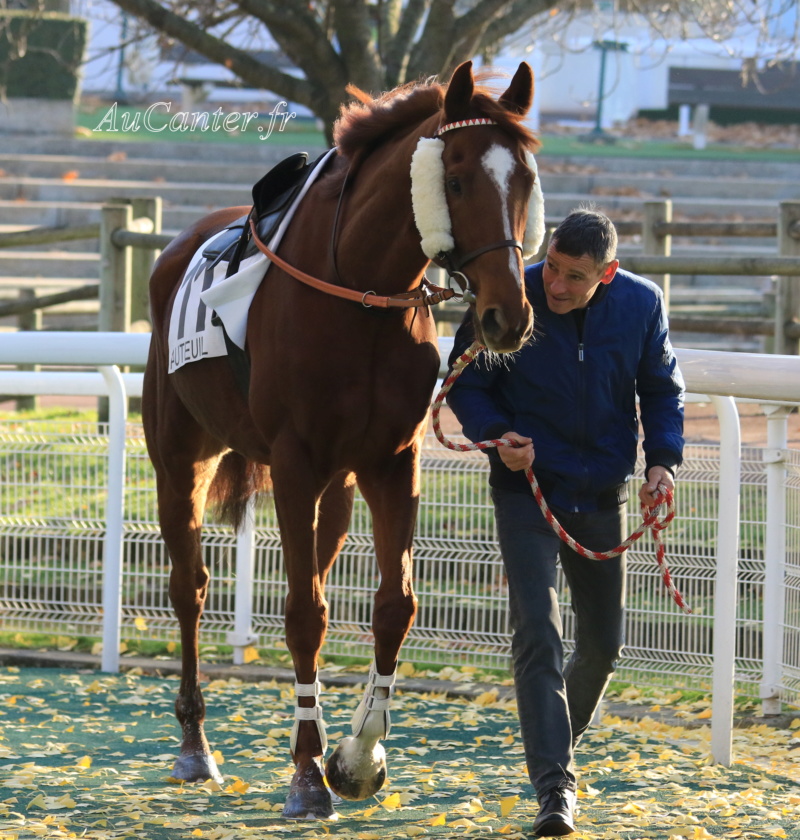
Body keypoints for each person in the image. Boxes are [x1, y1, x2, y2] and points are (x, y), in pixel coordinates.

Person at [446, 208, 685, 837]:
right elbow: (464, 386)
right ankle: (555, 788)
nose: (553, 285)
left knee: (603, 649)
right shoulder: (508, 291)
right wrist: (497, 435)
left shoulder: (641, 304)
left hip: (604, 495)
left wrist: (663, 463)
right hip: (525, 490)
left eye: (573, 277)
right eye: (551, 267)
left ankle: (552, 746)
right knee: (539, 637)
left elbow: (662, 389)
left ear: (605, 276)